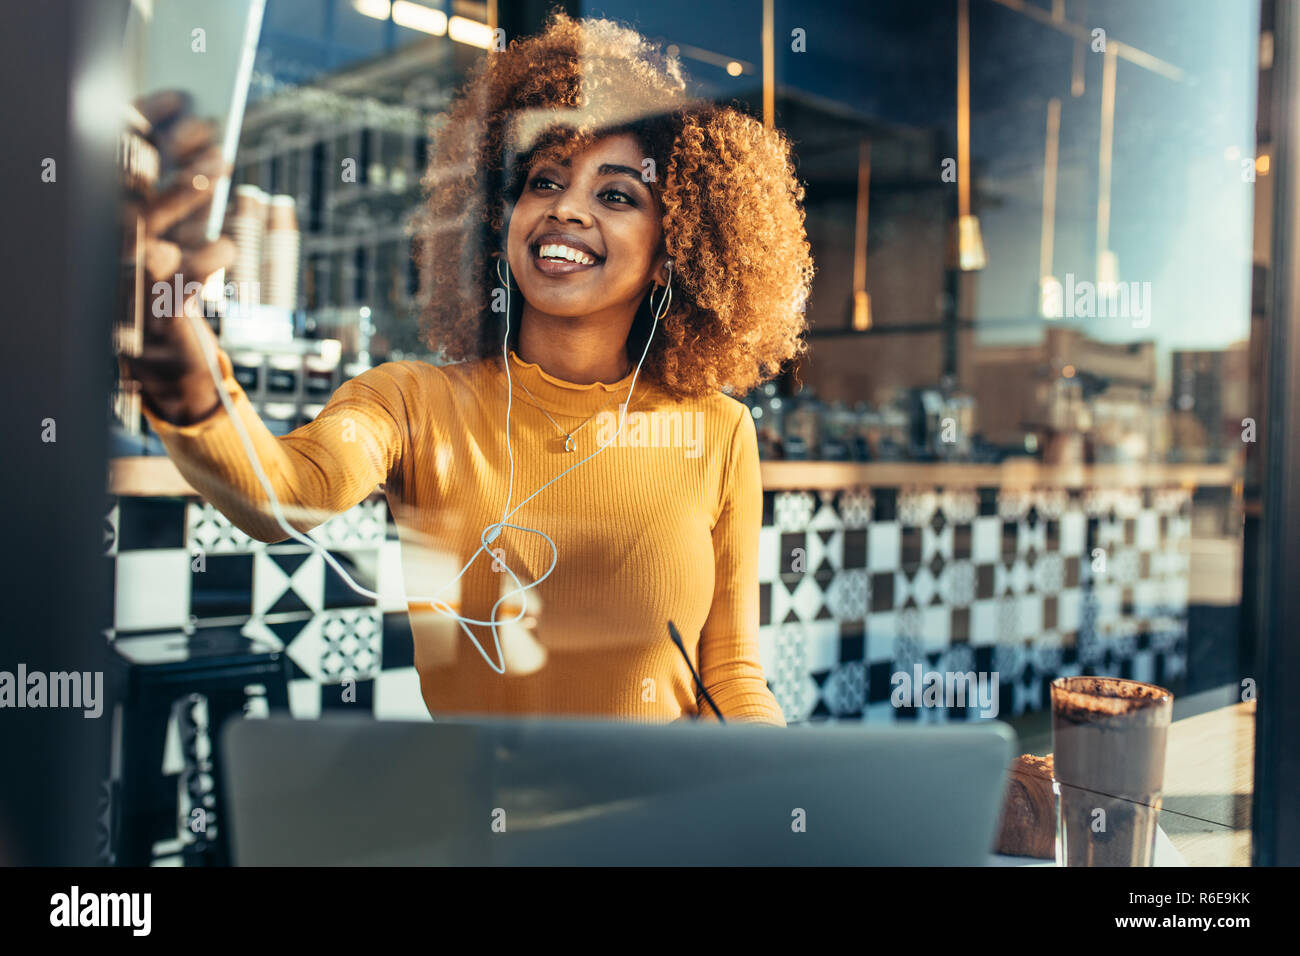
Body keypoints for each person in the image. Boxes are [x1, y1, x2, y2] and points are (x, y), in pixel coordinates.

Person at [122, 13, 814, 725]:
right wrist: (185, 378)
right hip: (483, 819)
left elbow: (729, 674)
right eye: (544, 182)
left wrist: (771, 800)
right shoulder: (411, 403)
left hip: (662, 822)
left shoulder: (717, 432)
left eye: (615, 195)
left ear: (673, 252)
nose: (566, 210)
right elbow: (286, 494)